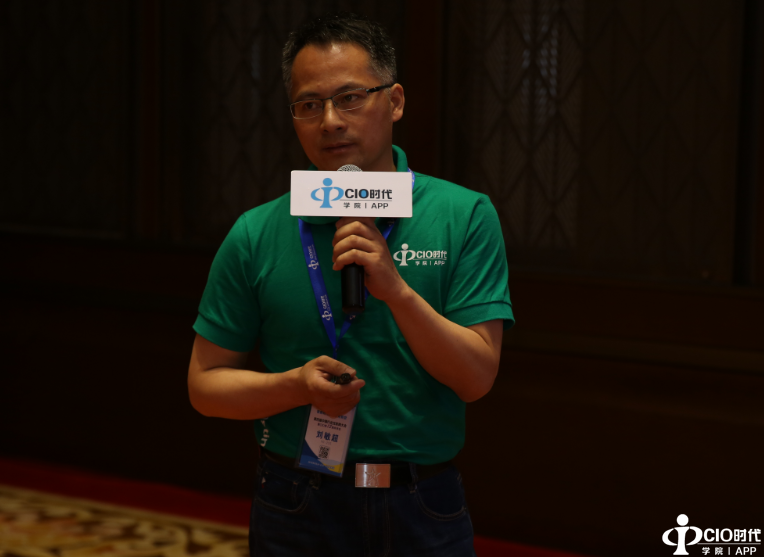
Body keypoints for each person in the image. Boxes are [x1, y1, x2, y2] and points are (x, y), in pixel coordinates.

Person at [187, 11, 514, 557]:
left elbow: (476, 378)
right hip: (297, 499)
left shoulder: (463, 215)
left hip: (421, 500)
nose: (331, 121)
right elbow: (204, 385)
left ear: (396, 101)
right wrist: (296, 386)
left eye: (351, 98)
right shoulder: (256, 232)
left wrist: (396, 291)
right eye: (309, 105)